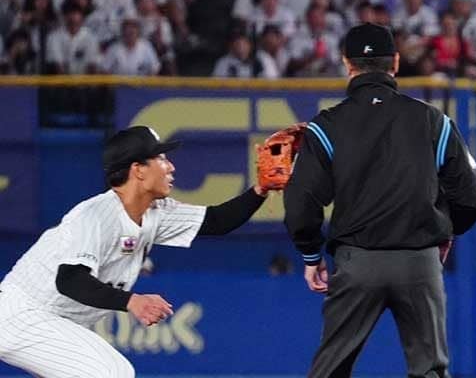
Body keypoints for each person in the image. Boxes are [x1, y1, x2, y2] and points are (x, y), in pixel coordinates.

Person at [284, 23, 476, 378]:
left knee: (329, 372)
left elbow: (302, 202)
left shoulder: (326, 125)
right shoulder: (433, 120)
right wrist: (443, 232)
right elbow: (473, 197)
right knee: (430, 372)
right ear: (395, 62)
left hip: (356, 262)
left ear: (347, 63)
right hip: (419, 262)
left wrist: (311, 254)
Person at [0, 126, 273, 377]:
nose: (171, 167)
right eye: (162, 159)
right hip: (24, 313)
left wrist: (261, 189)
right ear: (138, 170)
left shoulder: (156, 212)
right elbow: (70, 279)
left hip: (57, 320)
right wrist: (132, 301)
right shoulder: (96, 216)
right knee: (114, 372)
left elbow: (217, 221)